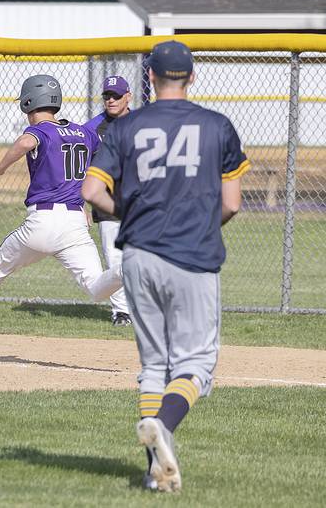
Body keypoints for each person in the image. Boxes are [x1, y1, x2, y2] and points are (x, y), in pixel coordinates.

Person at [82, 41, 249, 492]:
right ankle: (164, 429)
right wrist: (196, 224)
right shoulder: (217, 126)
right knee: (196, 365)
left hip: (137, 254)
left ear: (150, 78)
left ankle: (154, 473)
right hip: (192, 255)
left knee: (153, 364)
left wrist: (132, 213)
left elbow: (92, 194)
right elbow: (231, 203)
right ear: (192, 77)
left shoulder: (126, 127)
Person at [0, 74, 123, 341]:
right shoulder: (83, 132)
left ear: (28, 102)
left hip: (42, 222)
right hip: (75, 224)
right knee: (96, 288)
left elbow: (27, 142)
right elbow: (95, 155)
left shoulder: (39, 130)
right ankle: (127, 270)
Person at [84, 75, 133, 327]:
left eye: (115, 95)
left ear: (128, 96)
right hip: (107, 203)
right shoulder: (92, 128)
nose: (111, 100)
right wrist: (81, 203)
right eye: (107, 96)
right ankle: (122, 312)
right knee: (115, 260)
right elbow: (82, 169)